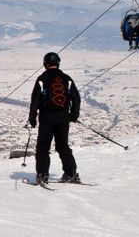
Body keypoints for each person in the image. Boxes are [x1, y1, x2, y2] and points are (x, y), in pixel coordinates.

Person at [28, 52, 81, 184]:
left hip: (46, 118)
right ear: (58, 63)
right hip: (63, 118)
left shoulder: (41, 79)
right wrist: (73, 115)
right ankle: (71, 173)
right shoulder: (67, 79)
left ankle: (42, 174)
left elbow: (35, 100)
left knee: (43, 147)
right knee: (63, 145)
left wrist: (32, 119)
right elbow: (76, 98)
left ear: (45, 64)